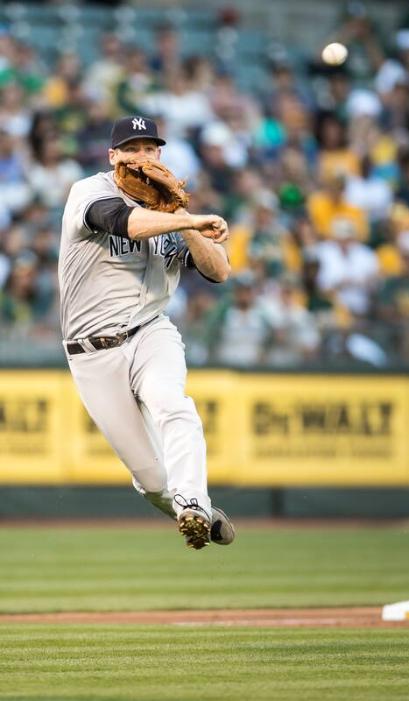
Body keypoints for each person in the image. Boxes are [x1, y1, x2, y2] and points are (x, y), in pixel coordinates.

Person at [58, 115, 235, 550]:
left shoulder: (171, 209)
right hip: (91, 353)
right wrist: (188, 222)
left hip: (150, 332)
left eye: (151, 149)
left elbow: (220, 271)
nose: (142, 158)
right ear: (112, 156)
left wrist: (184, 216)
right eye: (132, 149)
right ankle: (196, 514)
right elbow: (127, 224)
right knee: (153, 478)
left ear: (161, 156)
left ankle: (193, 502)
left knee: (173, 404)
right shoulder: (89, 192)